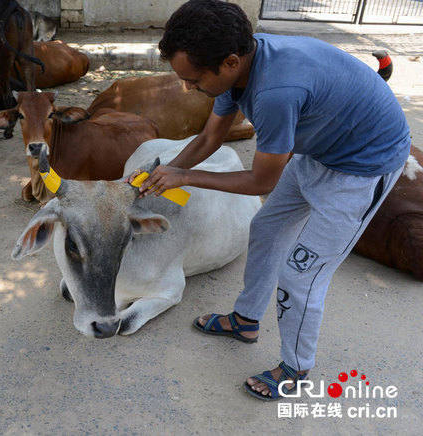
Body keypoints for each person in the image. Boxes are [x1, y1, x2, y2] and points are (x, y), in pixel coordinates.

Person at [129, 0, 411, 400]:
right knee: (265, 228)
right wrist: (167, 170)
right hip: (321, 149)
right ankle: (245, 320)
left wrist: (186, 176)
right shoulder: (240, 65)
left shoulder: (275, 93)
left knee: (302, 276)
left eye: (192, 80)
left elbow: (260, 181)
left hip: (362, 168)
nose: (187, 88)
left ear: (229, 62)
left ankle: (296, 367)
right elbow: (211, 137)